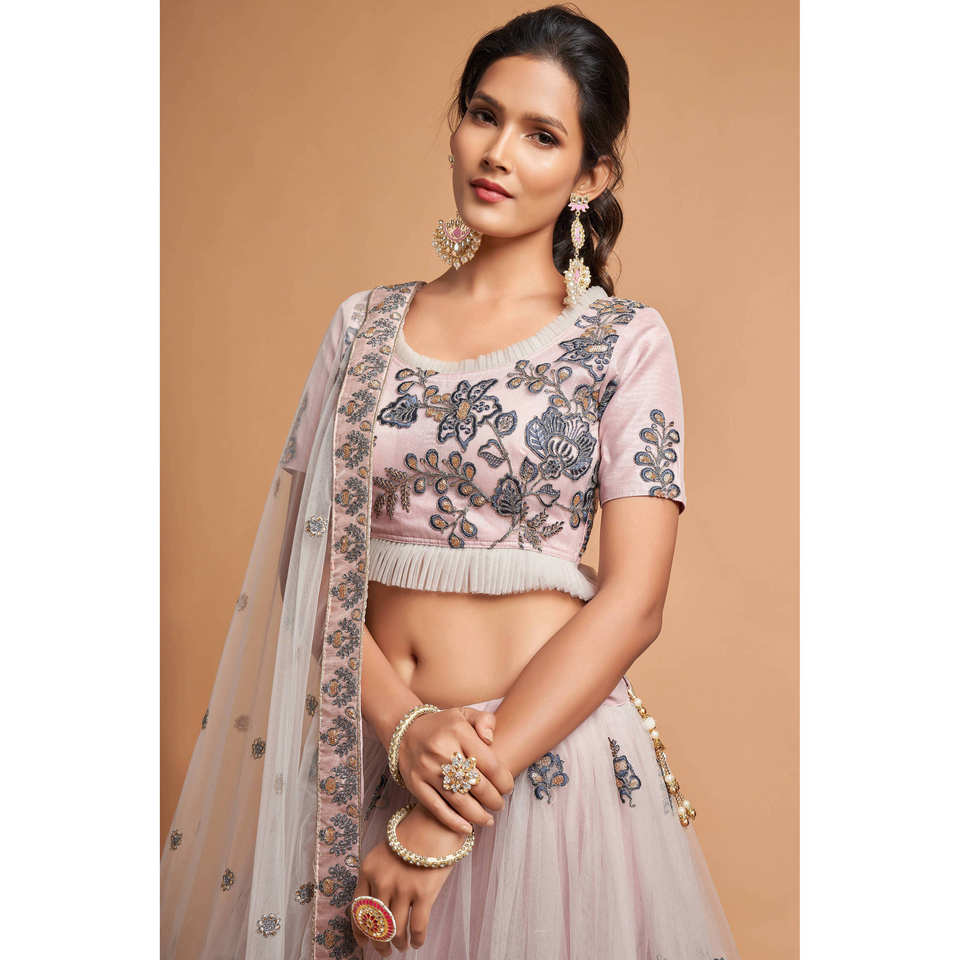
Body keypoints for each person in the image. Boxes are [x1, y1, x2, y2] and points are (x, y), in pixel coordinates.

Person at [160, 5, 742, 959]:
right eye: (484, 115)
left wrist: (450, 805)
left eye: (542, 135)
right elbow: (308, 562)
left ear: (590, 177)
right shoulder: (363, 327)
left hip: (540, 777)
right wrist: (403, 730)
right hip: (365, 758)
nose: (498, 152)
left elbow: (635, 602)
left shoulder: (624, 341)